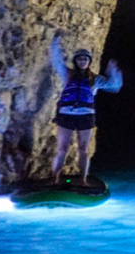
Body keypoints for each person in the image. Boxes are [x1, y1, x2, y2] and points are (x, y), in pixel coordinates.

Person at [49, 35, 122, 185]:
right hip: (66, 115)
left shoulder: (95, 79)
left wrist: (113, 71)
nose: (83, 61)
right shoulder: (68, 74)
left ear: (89, 62)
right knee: (62, 148)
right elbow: (56, 62)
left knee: (83, 149)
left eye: (85, 59)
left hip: (86, 116)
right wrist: (55, 42)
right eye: (80, 59)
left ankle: (83, 180)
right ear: (76, 61)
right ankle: (54, 178)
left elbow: (115, 86)